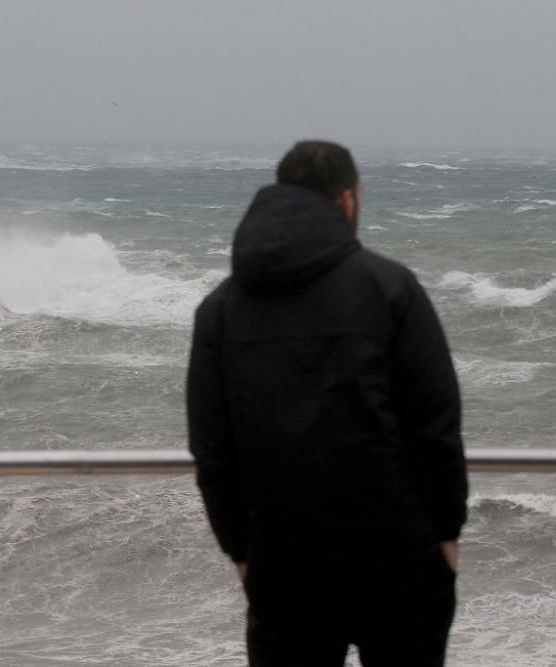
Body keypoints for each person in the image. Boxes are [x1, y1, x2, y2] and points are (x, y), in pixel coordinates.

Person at [187, 140, 468, 666]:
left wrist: (242, 551)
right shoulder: (391, 288)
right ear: (345, 202)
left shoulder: (220, 310)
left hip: (283, 565)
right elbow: (436, 425)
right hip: (400, 558)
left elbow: (212, 451)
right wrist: (447, 534)